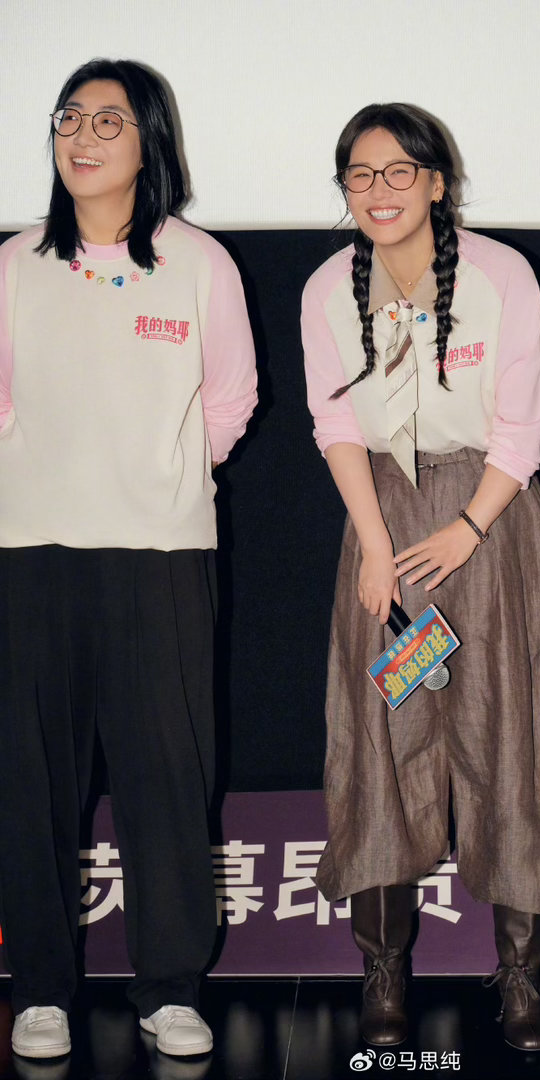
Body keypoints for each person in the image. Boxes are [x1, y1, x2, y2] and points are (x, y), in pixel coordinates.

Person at [301, 103, 540, 1052]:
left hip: (490, 520)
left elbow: (524, 424)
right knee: (381, 736)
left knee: (513, 732)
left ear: (436, 182)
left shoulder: (501, 275)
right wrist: (375, 545)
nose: (378, 191)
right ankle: (383, 972)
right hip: (383, 518)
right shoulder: (327, 288)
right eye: (360, 174)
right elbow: (337, 426)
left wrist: (467, 527)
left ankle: (520, 979)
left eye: (398, 171)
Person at [0, 59, 257, 1060]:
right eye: (69, 118)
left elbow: (230, 396)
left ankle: (169, 986)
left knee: (168, 773)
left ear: (151, 141)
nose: (83, 136)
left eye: (108, 120)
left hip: (161, 553)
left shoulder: (198, 263)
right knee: (30, 778)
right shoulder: (16, 263)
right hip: (31, 551)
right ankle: (41, 988)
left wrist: (168, 473)